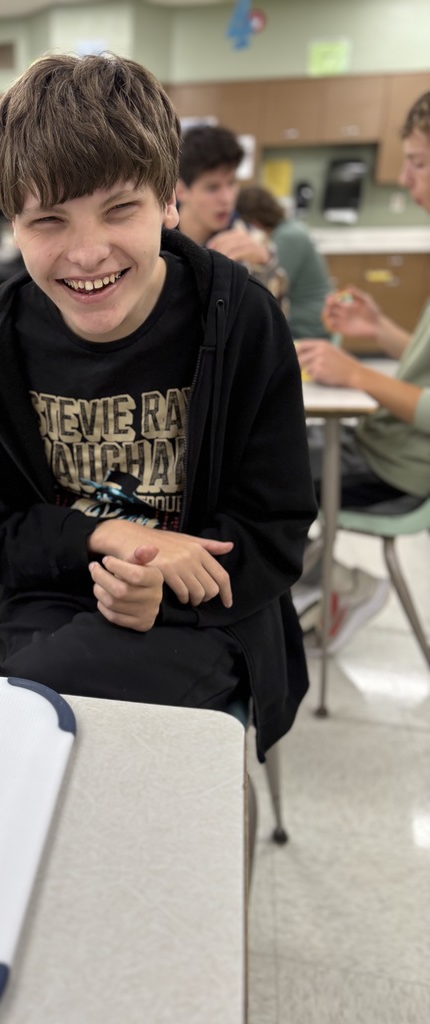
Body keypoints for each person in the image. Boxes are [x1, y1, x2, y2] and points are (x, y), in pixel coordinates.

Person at [0, 53, 317, 759]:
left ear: (168, 202)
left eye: (120, 210)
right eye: (49, 220)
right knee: (44, 718)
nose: (87, 253)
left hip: (210, 610)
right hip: (55, 591)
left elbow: (275, 531)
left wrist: (160, 590)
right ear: (13, 224)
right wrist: (107, 537)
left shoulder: (242, 320)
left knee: (33, 720)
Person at [294, 90, 430, 652]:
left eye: (418, 163)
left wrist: (356, 374)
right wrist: (380, 331)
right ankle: (311, 583)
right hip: (383, 445)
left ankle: (338, 585)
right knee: (268, 452)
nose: (405, 177)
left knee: (256, 477)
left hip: (399, 470)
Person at [175, 125, 288, 304]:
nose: (227, 198)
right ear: (181, 190)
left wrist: (266, 265)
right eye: (212, 188)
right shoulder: (157, 235)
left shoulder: (250, 241)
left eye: (231, 183)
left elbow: (276, 313)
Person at [236, 184, 332, 339]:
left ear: (253, 221)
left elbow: (271, 289)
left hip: (308, 322)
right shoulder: (289, 227)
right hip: (311, 314)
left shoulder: (287, 237)